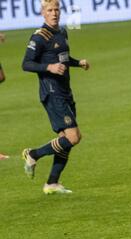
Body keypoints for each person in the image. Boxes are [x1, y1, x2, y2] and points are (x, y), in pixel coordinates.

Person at [22, 0, 90, 194]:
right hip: (52, 93)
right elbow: (26, 64)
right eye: (50, 10)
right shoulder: (39, 37)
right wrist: (48, 67)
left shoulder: (61, 32)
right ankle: (32, 154)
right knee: (73, 137)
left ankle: (52, 183)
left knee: (64, 140)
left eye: (56, 10)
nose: (54, 13)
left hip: (65, 92)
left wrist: (78, 63)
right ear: (43, 13)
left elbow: (63, 59)